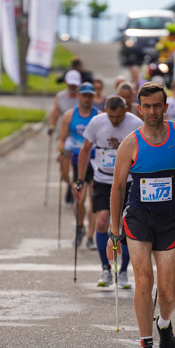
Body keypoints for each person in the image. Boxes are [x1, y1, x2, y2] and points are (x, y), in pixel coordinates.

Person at [108, 82, 175, 348]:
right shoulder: (130, 143)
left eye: (157, 106)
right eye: (147, 106)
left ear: (165, 106)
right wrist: (115, 232)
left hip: (168, 220)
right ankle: (146, 346)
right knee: (143, 281)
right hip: (138, 218)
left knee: (167, 291)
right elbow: (117, 188)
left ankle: (164, 323)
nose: (152, 111)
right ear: (139, 109)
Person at [75, 95, 143, 288]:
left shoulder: (135, 123)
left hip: (129, 181)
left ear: (125, 111)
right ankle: (105, 268)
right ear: (105, 111)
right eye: (111, 116)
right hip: (103, 180)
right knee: (102, 220)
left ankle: (123, 272)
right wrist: (80, 179)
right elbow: (85, 150)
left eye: (118, 117)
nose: (114, 121)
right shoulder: (96, 123)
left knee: (125, 225)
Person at [58, 82, 99, 246]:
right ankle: (80, 227)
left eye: (90, 95)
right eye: (84, 95)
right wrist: (62, 153)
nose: (87, 98)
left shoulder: (98, 115)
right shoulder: (69, 115)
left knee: (94, 201)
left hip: (95, 161)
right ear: (78, 96)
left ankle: (90, 237)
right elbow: (61, 139)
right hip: (77, 160)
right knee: (79, 201)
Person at [48, 69, 81, 203]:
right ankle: (70, 184)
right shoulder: (60, 96)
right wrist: (52, 126)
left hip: (78, 137)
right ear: (66, 82)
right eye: (70, 84)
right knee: (64, 169)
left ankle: (75, 188)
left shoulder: (82, 97)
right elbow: (55, 113)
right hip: (64, 136)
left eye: (75, 85)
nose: (72, 87)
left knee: (78, 168)